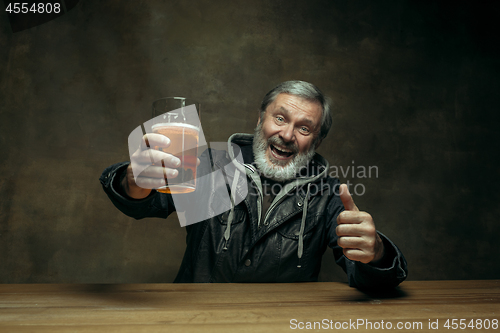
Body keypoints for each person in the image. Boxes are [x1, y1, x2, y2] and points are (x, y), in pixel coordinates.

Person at [100, 81, 407, 289]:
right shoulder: (209, 164)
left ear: (317, 140)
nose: (287, 135)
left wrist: (376, 253)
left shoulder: (327, 193)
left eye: (303, 128)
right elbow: (146, 202)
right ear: (260, 119)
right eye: (280, 118)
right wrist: (133, 181)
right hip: (196, 320)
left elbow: (363, 273)